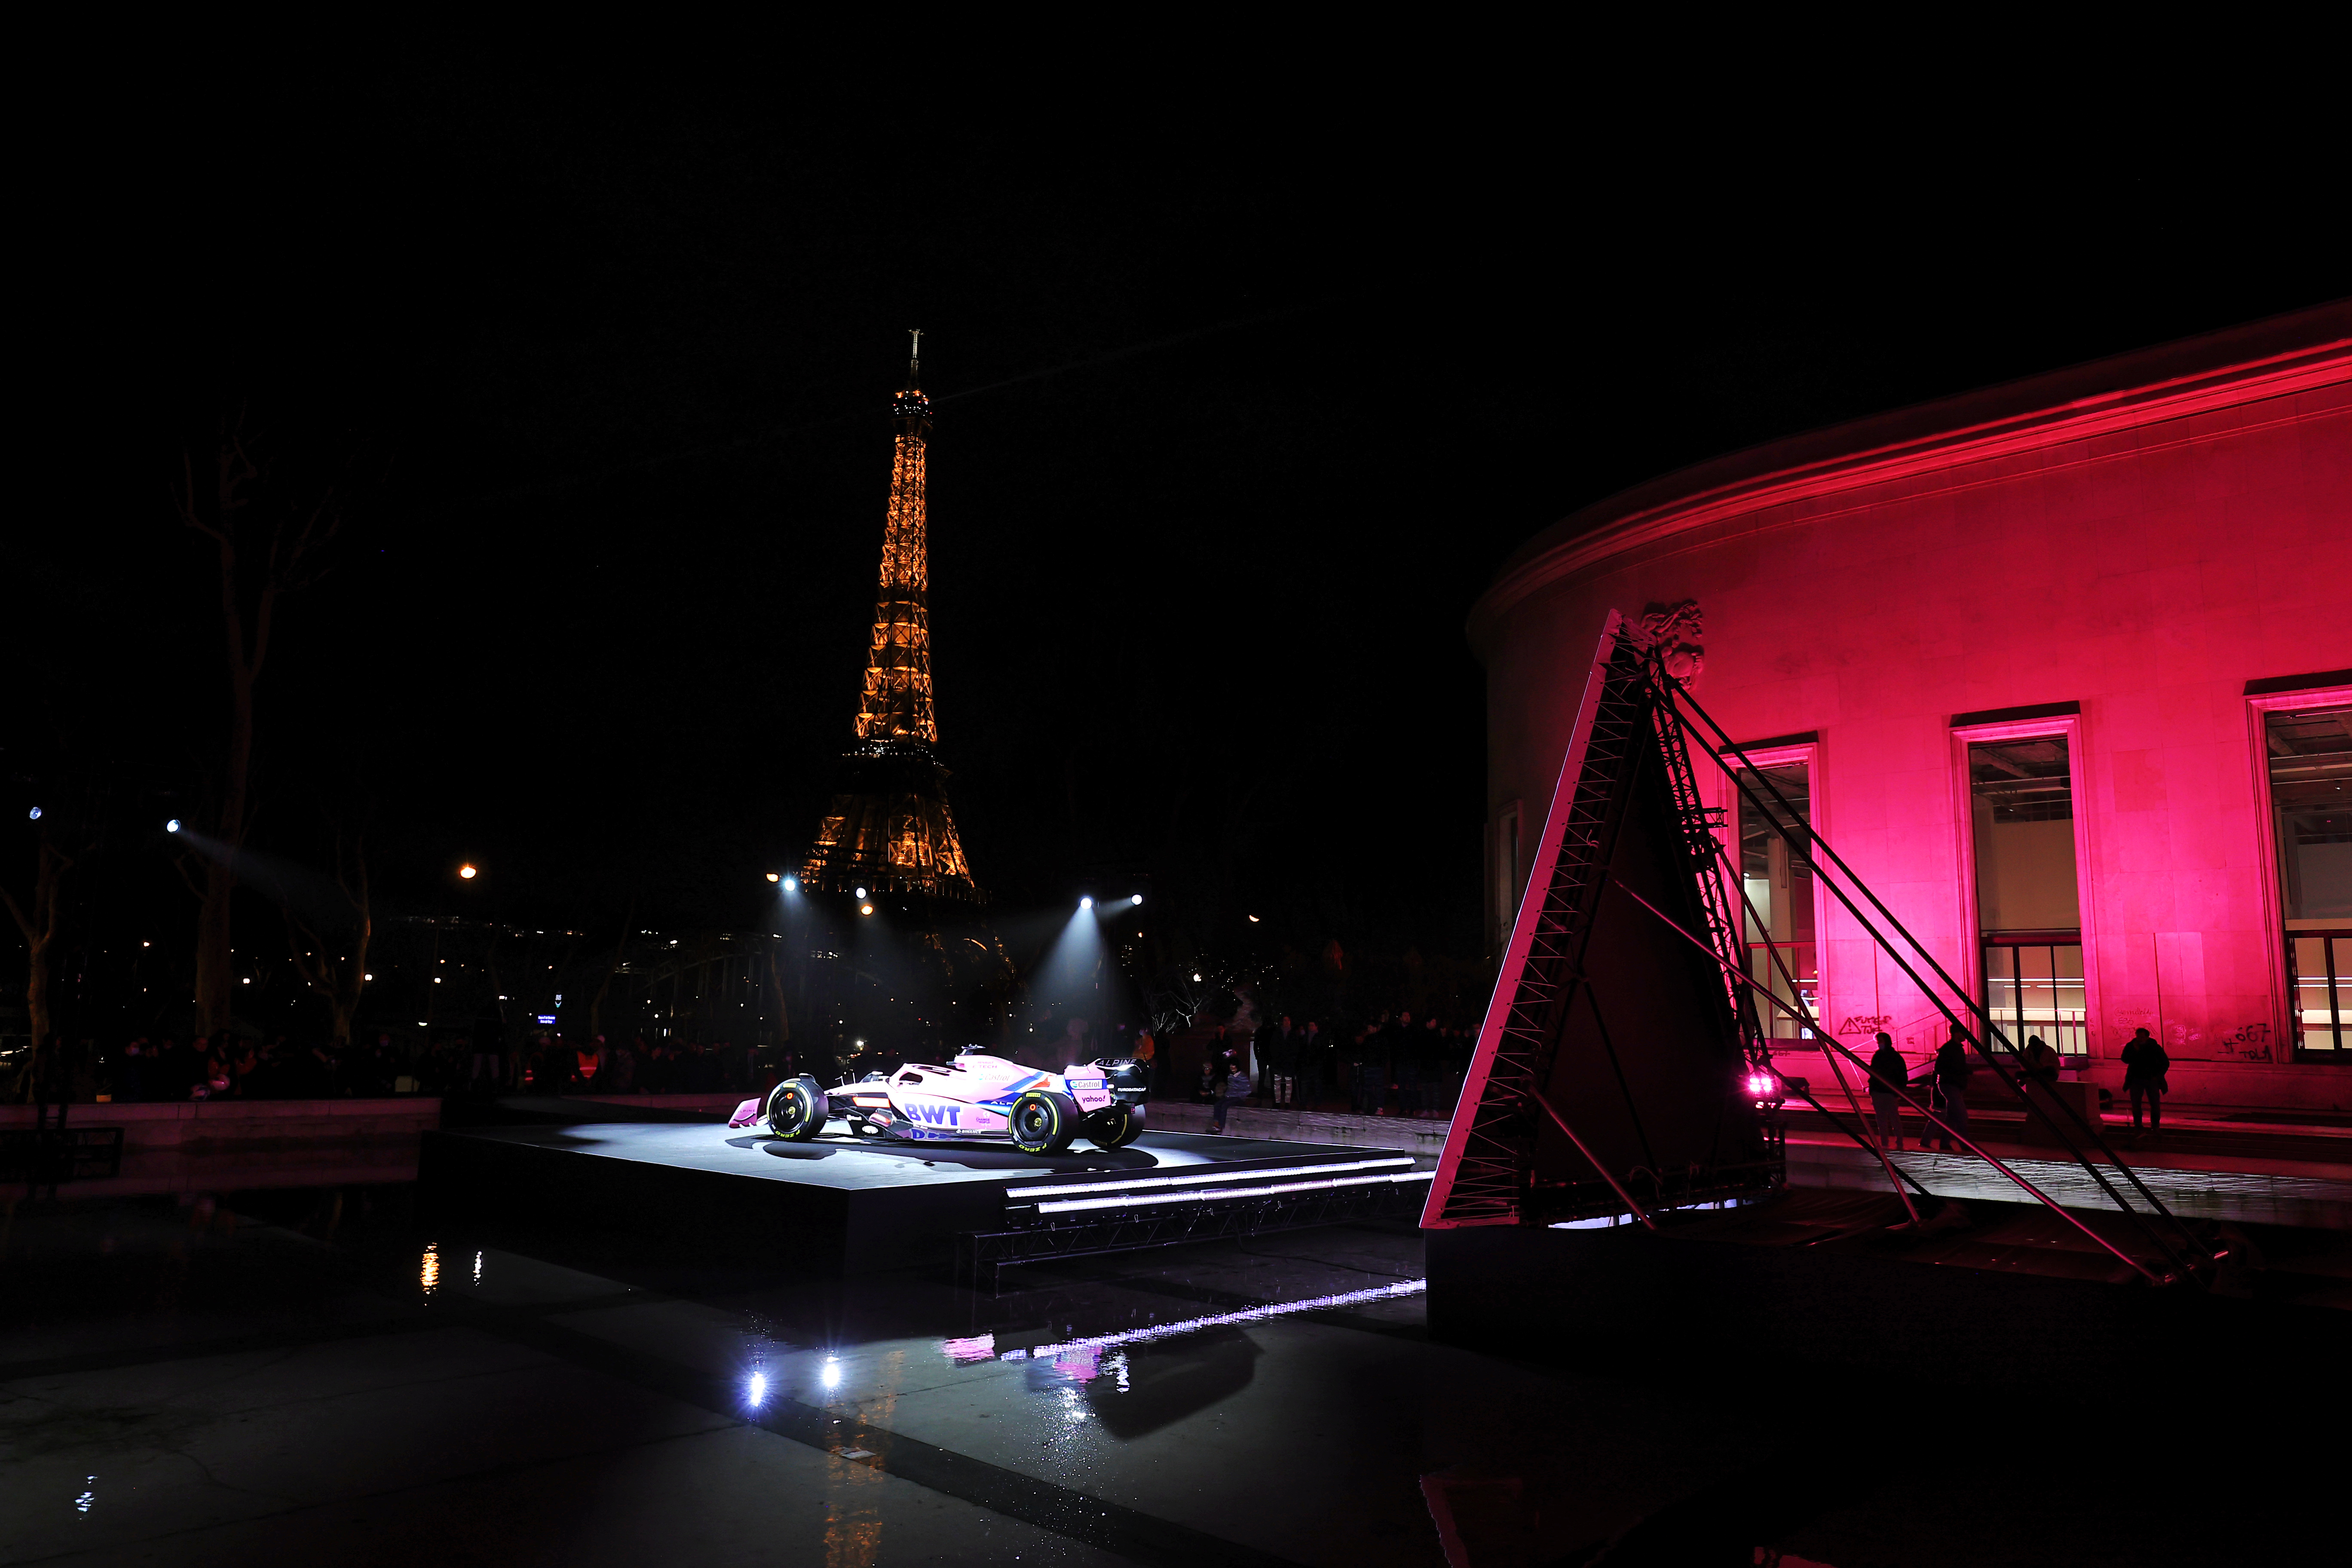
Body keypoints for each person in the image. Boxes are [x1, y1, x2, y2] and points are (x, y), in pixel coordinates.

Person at [1919, 1024, 1972, 1151]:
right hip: (1950, 1085)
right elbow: (1939, 1068)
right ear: (1956, 1033)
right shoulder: (1950, 1049)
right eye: (1963, 1032)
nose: (1965, 1036)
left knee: (1952, 1116)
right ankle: (1965, 1144)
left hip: (1953, 1085)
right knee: (1961, 1115)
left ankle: (1945, 1143)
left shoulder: (1955, 1049)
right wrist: (1961, 1072)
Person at [2121, 1026, 2171, 1134]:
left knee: (2154, 1104)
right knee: (2136, 1104)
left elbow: (2165, 1063)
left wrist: (2157, 1076)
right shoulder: (2132, 1046)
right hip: (2136, 1079)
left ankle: (2155, 1126)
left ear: (2147, 1037)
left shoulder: (2154, 1047)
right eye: (2138, 1037)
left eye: (2142, 1037)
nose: (2140, 1039)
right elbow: (2125, 1059)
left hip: (2151, 1079)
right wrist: (2135, 1051)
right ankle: (2139, 1126)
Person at [1866, 1031, 1907, 1150]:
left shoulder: (1888, 1057)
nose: (1879, 1044)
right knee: (1886, 1118)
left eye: (1880, 1042)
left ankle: (1892, 1141)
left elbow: (1902, 1075)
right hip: (1884, 1091)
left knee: (1889, 1118)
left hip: (1886, 1091)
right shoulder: (1890, 1056)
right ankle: (1892, 1141)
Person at [1210, 1038, 1252, 1133]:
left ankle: (1221, 1127)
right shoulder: (1230, 1076)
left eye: (1234, 1067)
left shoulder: (1242, 1076)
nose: (1233, 1069)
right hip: (1229, 1096)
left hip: (1238, 1098)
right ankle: (1216, 1125)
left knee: (1225, 1106)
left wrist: (1239, 1094)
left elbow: (1249, 1090)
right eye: (1231, 1067)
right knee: (1218, 1105)